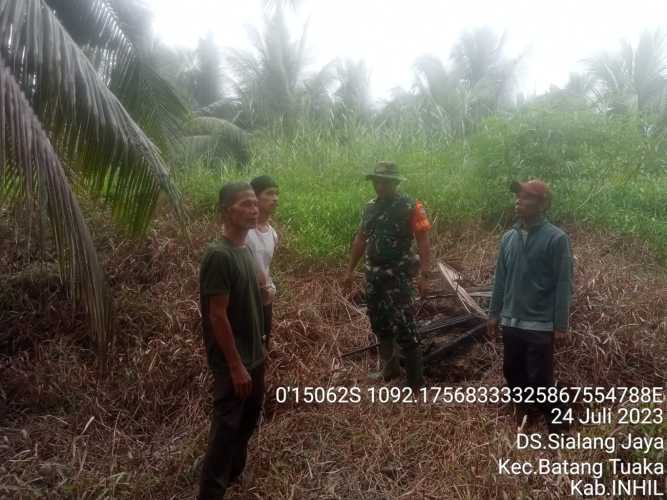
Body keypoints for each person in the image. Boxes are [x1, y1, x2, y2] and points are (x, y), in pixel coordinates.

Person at [487, 179, 573, 432]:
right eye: (518, 196)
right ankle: (527, 415)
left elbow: (563, 283)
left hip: (539, 324)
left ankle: (559, 426)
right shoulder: (508, 238)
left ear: (543, 204)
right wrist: (493, 314)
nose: (519, 201)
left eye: (526, 197)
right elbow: (500, 279)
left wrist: (561, 325)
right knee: (512, 373)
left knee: (540, 380)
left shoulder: (556, 239)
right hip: (511, 321)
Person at [198, 182, 266, 500]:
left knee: (248, 420)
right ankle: (211, 491)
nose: (254, 209)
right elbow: (217, 316)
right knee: (226, 430)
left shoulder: (246, 248)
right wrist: (236, 366)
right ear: (227, 211)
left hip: (255, 354)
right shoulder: (218, 255)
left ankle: (233, 475)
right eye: (245, 204)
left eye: (255, 203)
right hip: (234, 361)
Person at [344, 161, 432, 389]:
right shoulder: (370, 207)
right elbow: (361, 238)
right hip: (373, 275)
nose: (380, 186)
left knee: (405, 325)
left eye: (385, 182)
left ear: (395, 182)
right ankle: (390, 369)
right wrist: (350, 270)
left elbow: (423, 240)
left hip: (398, 276)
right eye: (377, 181)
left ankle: (415, 382)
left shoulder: (411, 206)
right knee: (379, 322)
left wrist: (425, 274)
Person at [245, 175, 279, 350]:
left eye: (277, 194)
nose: (275, 198)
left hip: (265, 300)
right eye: (270, 193)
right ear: (256, 197)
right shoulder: (244, 232)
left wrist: (268, 287)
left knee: (263, 346)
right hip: (245, 301)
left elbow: (265, 266)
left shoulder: (272, 233)